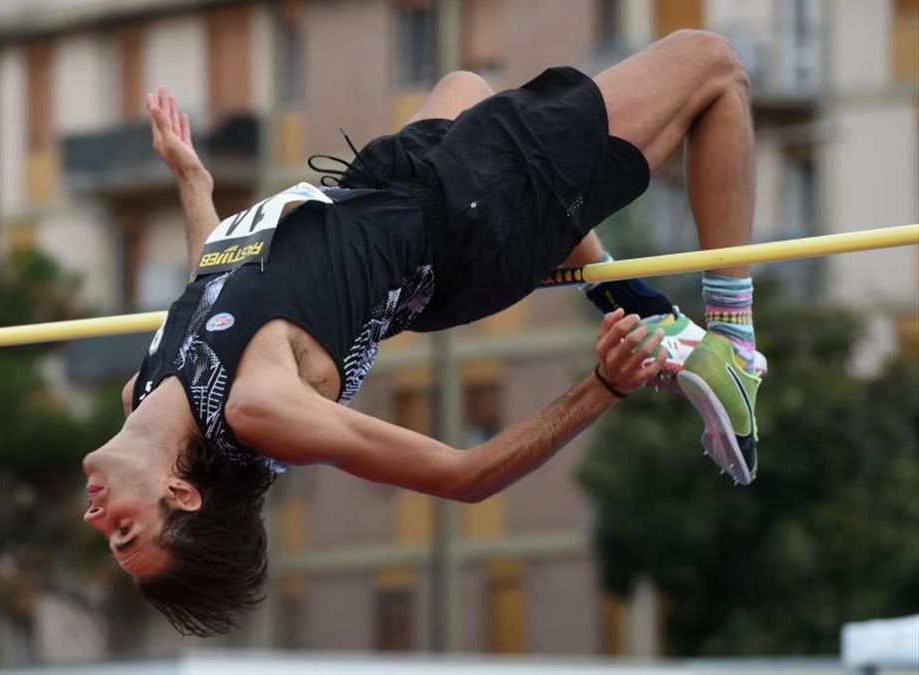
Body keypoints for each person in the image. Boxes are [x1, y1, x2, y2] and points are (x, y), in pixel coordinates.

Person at [82, 29, 768, 636]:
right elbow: (463, 476)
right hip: (467, 220)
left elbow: (213, 287)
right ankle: (734, 349)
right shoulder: (259, 407)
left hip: (389, 185)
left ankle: (637, 302)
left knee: (464, 85)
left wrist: (194, 183)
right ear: (180, 492)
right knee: (714, 68)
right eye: (124, 530)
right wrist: (603, 387)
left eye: (113, 536)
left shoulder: (143, 390)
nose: (96, 519)